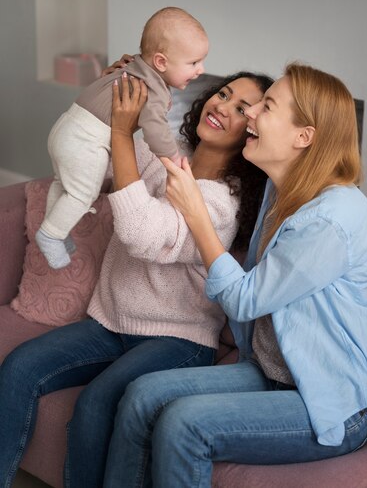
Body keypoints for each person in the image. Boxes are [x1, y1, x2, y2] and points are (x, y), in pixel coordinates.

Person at [102, 62, 367, 488]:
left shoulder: (333, 218)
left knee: (183, 424)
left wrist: (196, 214)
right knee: (141, 396)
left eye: (267, 107)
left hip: (327, 400)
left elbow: (246, 299)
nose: (250, 114)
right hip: (271, 374)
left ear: (303, 137)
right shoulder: (281, 191)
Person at [0, 67, 273, 488]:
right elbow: (90, 160)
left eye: (241, 108)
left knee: (96, 402)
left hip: (178, 340)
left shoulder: (222, 204)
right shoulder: (163, 154)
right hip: (110, 323)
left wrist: (125, 136)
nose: (222, 105)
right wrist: (111, 91)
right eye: (223, 93)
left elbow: (141, 234)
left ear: (250, 134)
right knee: (18, 368)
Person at [36, 6, 209, 269]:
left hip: (65, 127)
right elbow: (155, 128)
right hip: (86, 141)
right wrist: (172, 157)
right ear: (161, 62)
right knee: (83, 194)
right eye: (193, 63)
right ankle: (51, 234)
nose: (200, 70)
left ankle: (56, 228)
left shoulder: (131, 64)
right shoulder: (154, 89)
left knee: (64, 184)